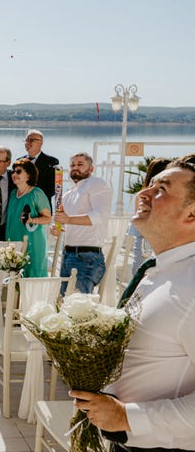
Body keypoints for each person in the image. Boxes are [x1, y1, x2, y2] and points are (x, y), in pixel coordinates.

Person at [71, 155, 195, 451]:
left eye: (161, 189)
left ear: (192, 214)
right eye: (149, 185)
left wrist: (128, 417)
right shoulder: (160, 269)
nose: (143, 193)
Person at [50, 152, 112, 294]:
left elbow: (100, 216)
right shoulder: (68, 194)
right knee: (64, 302)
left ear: (91, 168)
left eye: (80, 164)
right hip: (67, 255)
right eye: (72, 165)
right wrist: (56, 228)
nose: (75, 168)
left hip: (87, 257)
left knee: (79, 304)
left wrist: (69, 220)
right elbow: (64, 222)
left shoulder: (97, 183)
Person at [5, 158, 51, 277]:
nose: (14, 174)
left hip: (33, 243)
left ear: (29, 175)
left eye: (19, 171)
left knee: (32, 276)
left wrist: (32, 220)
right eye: (13, 171)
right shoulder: (13, 194)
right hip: (14, 242)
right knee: (14, 278)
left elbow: (48, 218)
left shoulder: (36, 193)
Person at [127, 157, 171, 275]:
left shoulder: (142, 194)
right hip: (148, 235)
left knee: (139, 267)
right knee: (144, 267)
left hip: (144, 235)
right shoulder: (152, 194)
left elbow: (137, 216)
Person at [20, 130, 59, 206]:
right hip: (22, 204)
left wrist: (34, 198)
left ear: (41, 143)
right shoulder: (19, 161)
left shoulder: (51, 161)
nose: (28, 143)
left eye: (31, 140)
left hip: (42, 205)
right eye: (26, 140)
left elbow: (52, 189)